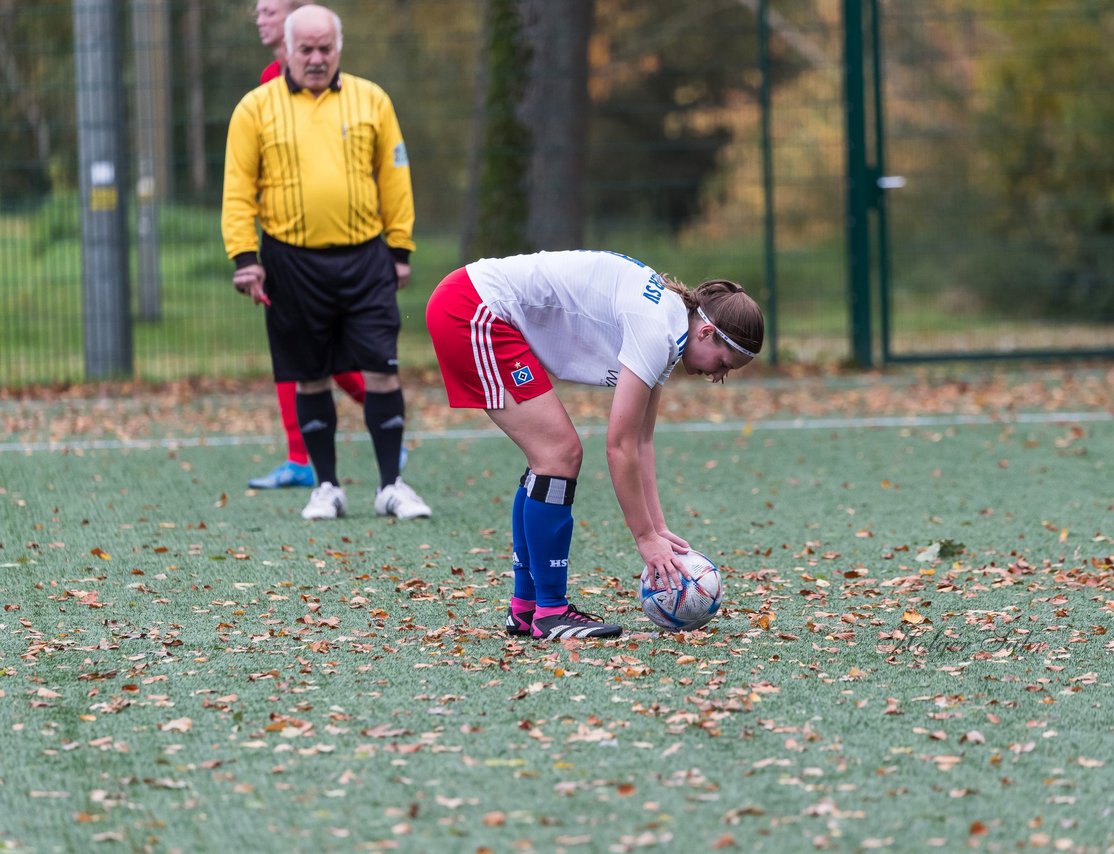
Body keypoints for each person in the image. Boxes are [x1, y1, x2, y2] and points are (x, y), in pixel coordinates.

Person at [425, 250, 764, 639]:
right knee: (558, 454)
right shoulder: (656, 329)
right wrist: (643, 538)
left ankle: (527, 608)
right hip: (472, 308)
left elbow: (641, 440)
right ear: (706, 332)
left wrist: (658, 528)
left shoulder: (672, 328)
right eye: (723, 364)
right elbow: (618, 446)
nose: (718, 376)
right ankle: (550, 612)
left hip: (474, 303)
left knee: (551, 456)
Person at [222, 4, 431, 521]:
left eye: (325, 49)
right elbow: (237, 191)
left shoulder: (372, 99)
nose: (316, 59)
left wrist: (399, 249)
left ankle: (391, 486)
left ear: (339, 48)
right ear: (287, 52)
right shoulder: (255, 108)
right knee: (309, 376)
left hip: (366, 260)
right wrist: (245, 258)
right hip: (290, 263)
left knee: (382, 372)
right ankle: (327, 487)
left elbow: (395, 178)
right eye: (306, 50)